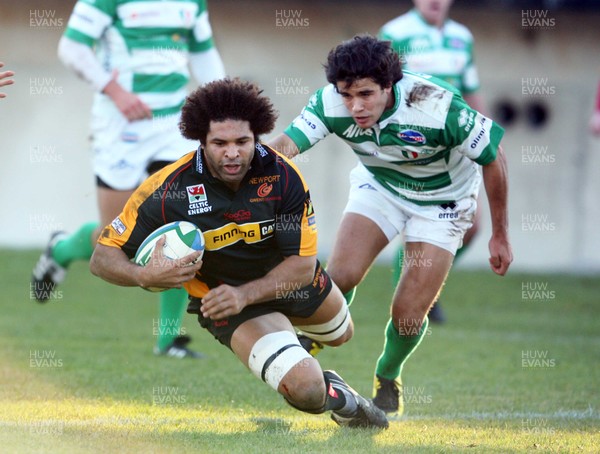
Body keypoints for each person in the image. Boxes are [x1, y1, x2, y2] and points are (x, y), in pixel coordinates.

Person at [89, 78, 388, 429]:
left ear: (257, 137)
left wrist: (244, 293)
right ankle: (340, 396)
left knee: (341, 333)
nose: (232, 153)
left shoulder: (283, 177)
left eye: (242, 142)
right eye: (219, 143)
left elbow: (303, 266)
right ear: (202, 140)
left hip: (286, 280)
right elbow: (102, 258)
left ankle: (288, 349)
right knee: (306, 390)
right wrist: (143, 275)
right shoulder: (168, 191)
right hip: (222, 301)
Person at [268, 35, 512, 417]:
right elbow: (285, 148)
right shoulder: (330, 102)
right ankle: (316, 340)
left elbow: (494, 157)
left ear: (390, 84)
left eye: (366, 94)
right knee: (340, 275)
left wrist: (499, 234)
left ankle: (388, 373)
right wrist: (246, 174)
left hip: (443, 204)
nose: (355, 106)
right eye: (347, 95)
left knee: (408, 313)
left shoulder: (436, 106)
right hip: (380, 187)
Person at [31, 0, 226, 358]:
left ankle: (168, 340)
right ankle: (60, 249)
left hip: (174, 124)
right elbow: (71, 47)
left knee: (184, 221)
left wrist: (225, 106)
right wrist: (116, 92)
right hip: (120, 125)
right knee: (118, 238)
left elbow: (203, 53)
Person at [379, 0, 487, 323]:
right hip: (415, 142)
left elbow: (471, 90)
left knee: (473, 224)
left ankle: (425, 286)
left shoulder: (462, 37)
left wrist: (484, 131)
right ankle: (413, 301)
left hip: (455, 143)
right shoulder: (396, 33)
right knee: (415, 225)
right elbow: (382, 90)